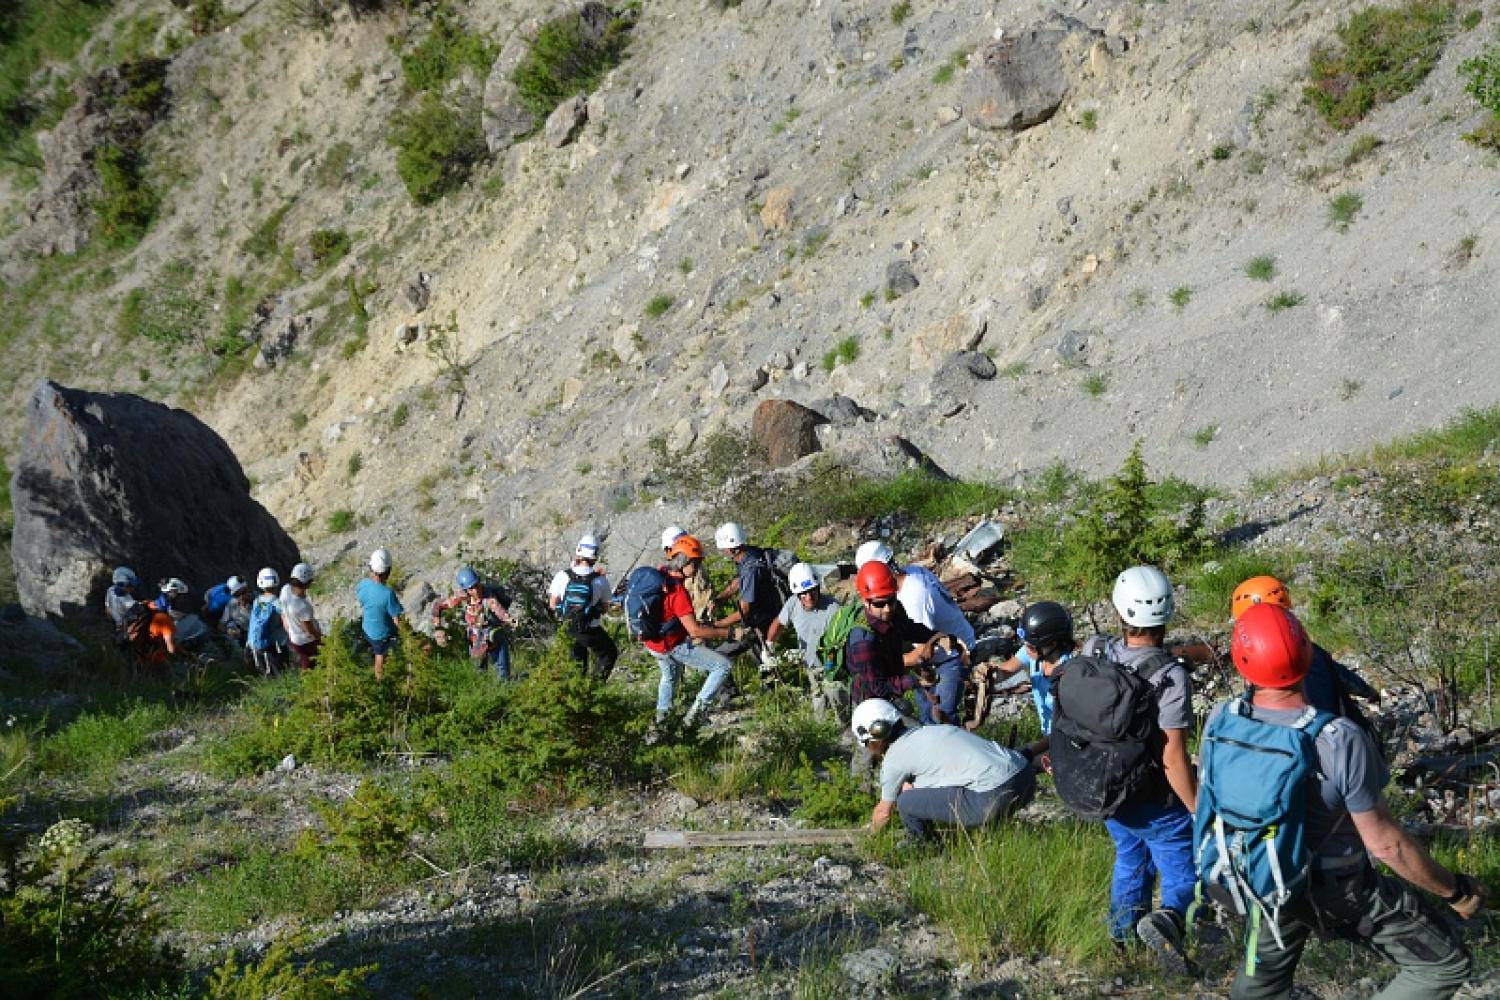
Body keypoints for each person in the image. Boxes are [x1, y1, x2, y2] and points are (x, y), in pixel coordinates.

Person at [1204, 602, 1482, 999]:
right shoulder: (1338, 737)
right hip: (1340, 888)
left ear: (1241, 660)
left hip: (1266, 875)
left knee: (1259, 988)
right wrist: (1454, 891)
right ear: (1306, 653)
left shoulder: (1220, 720)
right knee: (1444, 964)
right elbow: (1386, 845)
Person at [1064, 565, 1198, 969]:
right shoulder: (1169, 677)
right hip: (1152, 796)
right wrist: (1195, 806)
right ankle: (1169, 922)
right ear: (1167, 612)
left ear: (1120, 612)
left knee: (1131, 856)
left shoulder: (1093, 651)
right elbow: (1171, 755)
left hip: (1102, 788)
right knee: (1181, 868)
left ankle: (1122, 940)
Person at [852, 699, 1036, 842]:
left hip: (994, 796)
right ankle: (995, 829)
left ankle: (921, 844)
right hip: (1025, 777)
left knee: (906, 801)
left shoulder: (894, 758)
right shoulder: (931, 731)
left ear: (875, 736)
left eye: (868, 744)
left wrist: (870, 838)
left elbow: (884, 812)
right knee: (914, 791)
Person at [855, 541, 976, 725]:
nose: (886, 608)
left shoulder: (913, 597)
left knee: (941, 719)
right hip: (946, 646)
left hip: (950, 655)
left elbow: (923, 650)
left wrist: (886, 662)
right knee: (927, 716)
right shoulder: (912, 572)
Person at [1231, 575, 1379, 719]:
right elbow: (1344, 678)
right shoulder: (1310, 653)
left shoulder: (1252, 666)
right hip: (1335, 731)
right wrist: (1369, 692)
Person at [644, 535, 740, 730]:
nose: (697, 568)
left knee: (670, 677)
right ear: (685, 562)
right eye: (695, 563)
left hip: (653, 643)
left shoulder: (660, 575)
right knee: (722, 666)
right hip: (671, 645)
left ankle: (661, 724)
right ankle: (694, 717)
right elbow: (694, 630)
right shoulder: (678, 592)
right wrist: (728, 633)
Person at [967, 602, 1076, 763]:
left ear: (1051, 644)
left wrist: (1027, 752)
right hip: (1049, 735)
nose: (1026, 648)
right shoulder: (1034, 653)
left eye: (1030, 645)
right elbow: (1006, 671)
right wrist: (987, 673)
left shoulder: (1069, 674)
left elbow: (1066, 730)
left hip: (1066, 739)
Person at [764, 562, 845, 720]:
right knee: (818, 701)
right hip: (810, 667)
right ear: (797, 594)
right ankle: (821, 733)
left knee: (837, 698)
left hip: (833, 665)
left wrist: (829, 668)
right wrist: (769, 645)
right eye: (804, 593)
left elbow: (837, 642)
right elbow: (778, 623)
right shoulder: (793, 604)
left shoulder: (833, 608)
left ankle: (846, 728)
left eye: (812, 591)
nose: (809, 597)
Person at [712, 522, 785, 663]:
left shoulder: (750, 569)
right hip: (766, 615)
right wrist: (719, 599)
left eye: (724, 548)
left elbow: (744, 610)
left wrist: (717, 625)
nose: (723, 551)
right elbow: (738, 582)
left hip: (761, 621)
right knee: (763, 661)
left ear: (731, 548)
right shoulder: (751, 554)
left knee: (719, 656)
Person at [548, 535, 617, 681]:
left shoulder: (562, 576)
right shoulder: (600, 580)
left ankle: (578, 695)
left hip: (568, 627)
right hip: (589, 628)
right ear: (595, 556)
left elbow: (552, 604)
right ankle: (595, 688)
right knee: (609, 653)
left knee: (577, 666)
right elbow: (605, 608)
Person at [436, 565, 519, 679]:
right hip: (476, 642)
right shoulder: (462, 597)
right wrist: (438, 628)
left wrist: (511, 620)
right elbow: (438, 606)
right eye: (471, 588)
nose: (475, 590)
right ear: (466, 590)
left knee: (503, 675)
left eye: (476, 585)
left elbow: (500, 611)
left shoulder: (489, 598)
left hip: (494, 638)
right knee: (479, 676)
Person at [357, 548, 403, 680]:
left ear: (371, 568)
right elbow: (396, 619)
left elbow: (362, 599)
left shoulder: (363, 584)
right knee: (380, 655)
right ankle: (379, 680)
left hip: (367, 628)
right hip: (380, 635)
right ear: (388, 571)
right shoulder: (388, 594)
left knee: (375, 644)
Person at [246, 567, 288, 675]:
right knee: (281, 672)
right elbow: (286, 624)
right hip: (276, 644)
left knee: (267, 673)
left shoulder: (257, 601)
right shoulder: (278, 603)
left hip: (258, 644)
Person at [280, 563, 322, 671]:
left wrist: (287, 627)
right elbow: (309, 631)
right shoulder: (303, 606)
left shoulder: (285, 589)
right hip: (305, 642)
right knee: (312, 664)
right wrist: (320, 638)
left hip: (293, 637)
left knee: (304, 662)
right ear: (307, 583)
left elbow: (283, 612)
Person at [160, 577, 210, 652]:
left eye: (170, 591)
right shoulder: (171, 600)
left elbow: (180, 616)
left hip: (195, 631)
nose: (168, 594)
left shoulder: (186, 601)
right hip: (191, 627)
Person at [220, 577, 252, 645]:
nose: (241, 597)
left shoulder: (259, 602)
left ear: (248, 589)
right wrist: (231, 632)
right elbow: (221, 625)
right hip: (243, 637)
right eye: (236, 595)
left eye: (243, 593)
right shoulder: (232, 604)